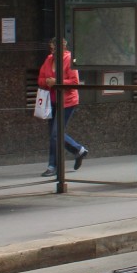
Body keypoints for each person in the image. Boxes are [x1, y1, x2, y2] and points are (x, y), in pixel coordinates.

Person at [37, 38, 87, 177]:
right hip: (52, 101)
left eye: (54, 49)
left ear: (62, 48)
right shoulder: (48, 60)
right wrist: (47, 82)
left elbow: (74, 82)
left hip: (67, 102)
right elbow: (40, 79)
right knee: (53, 135)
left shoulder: (69, 60)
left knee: (55, 134)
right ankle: (78, 151)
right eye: (51, 49)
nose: (52, 52)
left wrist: (57, 82)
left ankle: (53, 165)